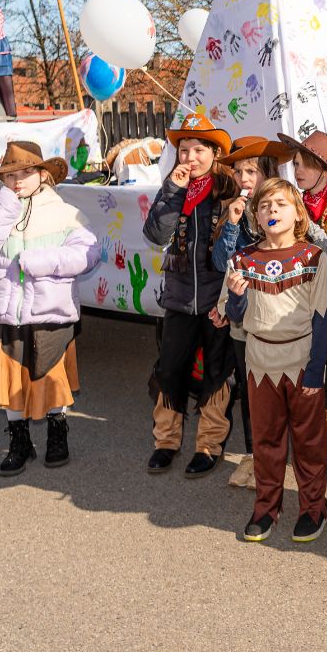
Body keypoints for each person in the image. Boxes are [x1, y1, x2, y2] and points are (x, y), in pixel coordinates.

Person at [0, 141, 98, 475]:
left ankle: (57, 433)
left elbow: (89, 253)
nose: (17, 181)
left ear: (43, 174)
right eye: (9, 175)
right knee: (10, 377)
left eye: (25, 173)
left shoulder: (65, 213)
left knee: (53, 375)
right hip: (5, 311)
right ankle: (20, 441)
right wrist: (4, 205)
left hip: (49, 311)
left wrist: (40, 261)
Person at [214, 177, 327, 543]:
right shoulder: (242, 259)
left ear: (298, 213)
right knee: (265, 440)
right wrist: (237, 297)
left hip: (302, 360)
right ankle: (266, 507)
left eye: (281, 204)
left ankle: (313, 507)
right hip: (259, 361)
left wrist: (315, 372)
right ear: (256, 215)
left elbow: (323, 319)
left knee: (308, 441)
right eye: (265, 205)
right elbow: (234, 316)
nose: (272, 211)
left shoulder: (313, 258)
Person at [143, 114, 239, 478]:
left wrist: (228, 302)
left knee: (217, 372)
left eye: (199, 150)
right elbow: (156, 234)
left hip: (217, 299)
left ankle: (208, 446)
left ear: (215, 153)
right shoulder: (172, 188)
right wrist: (173, 191)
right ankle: (166, 442)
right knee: (170, 369)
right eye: (184, 150)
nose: (190, 158)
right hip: (179, 297)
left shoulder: (229, 190)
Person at [277, 131, 327, 479]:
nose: (297, 171)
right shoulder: (291, 202)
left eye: (306, 165)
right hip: (301, 304)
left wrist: (305, 224)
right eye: (295, 164)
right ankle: (322, 449)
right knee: (316, 381)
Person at [213, 136, 292, 487]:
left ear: (268, 173)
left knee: (279, 388)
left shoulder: (283, 208)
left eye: (251, 171)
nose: (244, 178)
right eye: (238, 171)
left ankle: (276, 458)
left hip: (278, 316)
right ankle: (252, 456)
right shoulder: (235, 211)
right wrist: (231, 224)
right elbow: (221, 262)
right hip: (243, 315)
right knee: (250, 389)